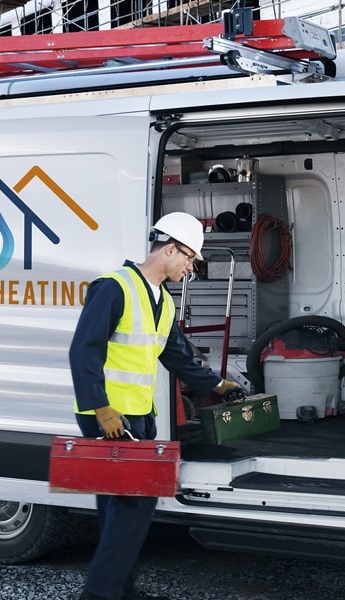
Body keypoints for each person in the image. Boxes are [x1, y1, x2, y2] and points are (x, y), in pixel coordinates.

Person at [69, 211, 247, 600]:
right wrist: (100, 407)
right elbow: (84, 350)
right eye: (188, 259)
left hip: (138, 415)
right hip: (109, 417)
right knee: (138, 501)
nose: (190, 267)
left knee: (116, 505)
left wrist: (218, 384)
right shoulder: (114, 288)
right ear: (169, 249)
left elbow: (178, 356)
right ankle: (100, 593)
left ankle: (121, 588)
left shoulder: (162, 302)